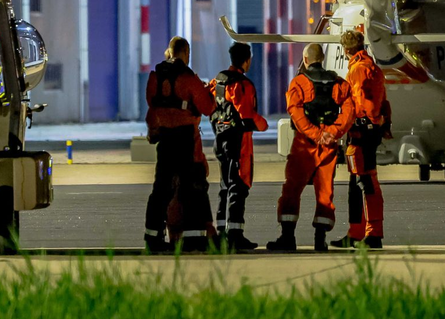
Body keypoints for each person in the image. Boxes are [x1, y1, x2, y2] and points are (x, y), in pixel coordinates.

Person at [266, 43, 354, 252]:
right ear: (322, 58)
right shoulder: (339, 82)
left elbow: (295, 112)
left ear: (306, 60)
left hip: (305, 144)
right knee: (325, 192)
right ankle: (319, 239)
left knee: (292, 188)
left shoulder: (299, 82)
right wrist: (332, 132)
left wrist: (316, 134)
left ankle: (288, 238)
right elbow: (349, 111)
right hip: (329, 145)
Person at [144, 36, 217, 253]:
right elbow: (208, 107)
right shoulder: (188, 78)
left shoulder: (155, 77)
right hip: (185, 139)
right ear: (186, 53)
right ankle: (194, 239)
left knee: (161, 190)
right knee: (190, 189)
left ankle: (152, 238)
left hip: (165, 139)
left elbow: (152, 105)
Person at [208, 42, 268, 251]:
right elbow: (247, 116)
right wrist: (264, 124)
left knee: (224, 187)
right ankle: (235, 235)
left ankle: (221, 232)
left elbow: (208, 105)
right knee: (238, 187)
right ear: (247, 60)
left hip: (220, 140)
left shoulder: (218, 81)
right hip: (239, 143)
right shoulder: (243, 85)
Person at [332, 30, 388, 250]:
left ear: (346, 51)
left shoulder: (357, 71)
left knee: (365, 182)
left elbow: (359, 103)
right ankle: (357, 232)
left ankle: (372, 234)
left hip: (360, 133)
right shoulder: (373, 68)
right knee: (357, 183)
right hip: (370, 132)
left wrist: (342, 127)